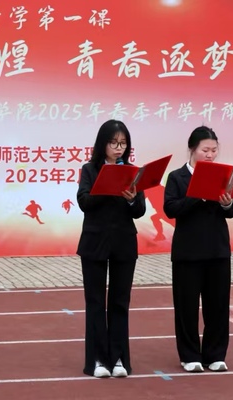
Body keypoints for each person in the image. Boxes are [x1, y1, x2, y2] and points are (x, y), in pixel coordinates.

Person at [163, 126, 233, 373]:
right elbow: (171, 209)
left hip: (217, 249)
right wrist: (198, 194)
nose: (210, 155)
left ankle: (215, 355)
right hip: (188, 252)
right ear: (192, 149)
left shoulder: (223, 175)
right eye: (205, 150)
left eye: (214, 150)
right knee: (186, 306)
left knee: (218, 306)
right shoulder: (177, 177)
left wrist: (227, 204)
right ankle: (190, 355)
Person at [76, 119, 146, 378]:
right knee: (95, 302)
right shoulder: (90, 169)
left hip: (124, 242)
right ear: (102, 144)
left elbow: (140, 210)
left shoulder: (132, 172)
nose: (119, 148)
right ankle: (97, 360)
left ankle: (117, 358)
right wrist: (106, 186)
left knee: (120, 302)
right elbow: (84, 202)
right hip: (94, 242)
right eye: (114, 143)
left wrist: (131, 199)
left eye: (123, 143)